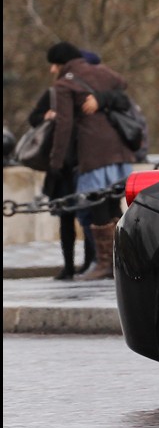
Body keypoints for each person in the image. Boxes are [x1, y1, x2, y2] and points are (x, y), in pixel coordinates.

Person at [44, 41, 133, 281]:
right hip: (118, 148)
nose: (53, 70)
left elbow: (64, 126)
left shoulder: (64, 85)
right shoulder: (103, 71)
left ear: (61, 62)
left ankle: (105, 264)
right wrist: (103, 98)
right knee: (114, 204)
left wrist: (56, 161)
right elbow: (122, 84)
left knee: (96, 205)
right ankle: (119, 262)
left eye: (54, 64)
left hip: (93, 151)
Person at [27, 87, 91, 280]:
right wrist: (48, 116)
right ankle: (69, 265)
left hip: (84, 163)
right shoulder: (53, 94)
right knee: (65, 218)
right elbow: (34, 118)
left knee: (89, 217)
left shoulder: (88, 95)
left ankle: (90, 263)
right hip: (61, 168)